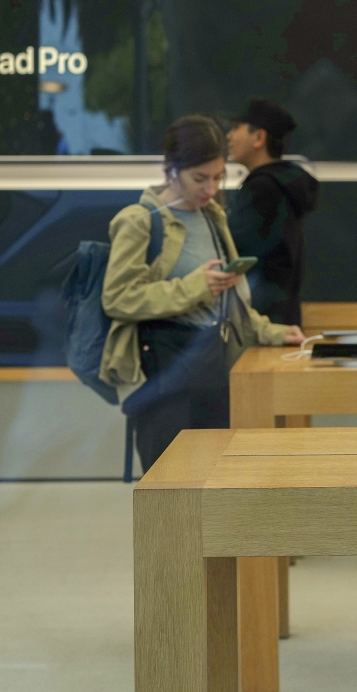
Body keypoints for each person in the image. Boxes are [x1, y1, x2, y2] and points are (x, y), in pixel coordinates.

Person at [100, 114, 305, 472]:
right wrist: (196, 287)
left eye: (218, 177)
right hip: (162, 375)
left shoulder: (212, 216)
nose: (210, 188)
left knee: (215, 483)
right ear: (171, 169)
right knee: (168, 488)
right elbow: (117, 298)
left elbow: (231, 299)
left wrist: (272, 332)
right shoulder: (140, 220)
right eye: (199, 178)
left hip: (214, 368)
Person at [226, 97, 319, 326]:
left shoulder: (262, 189)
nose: (229, 136)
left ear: (259, 138)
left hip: (262, 317)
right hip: (283, 312)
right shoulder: (283, 183)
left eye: (236, 128)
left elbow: (237, 247)